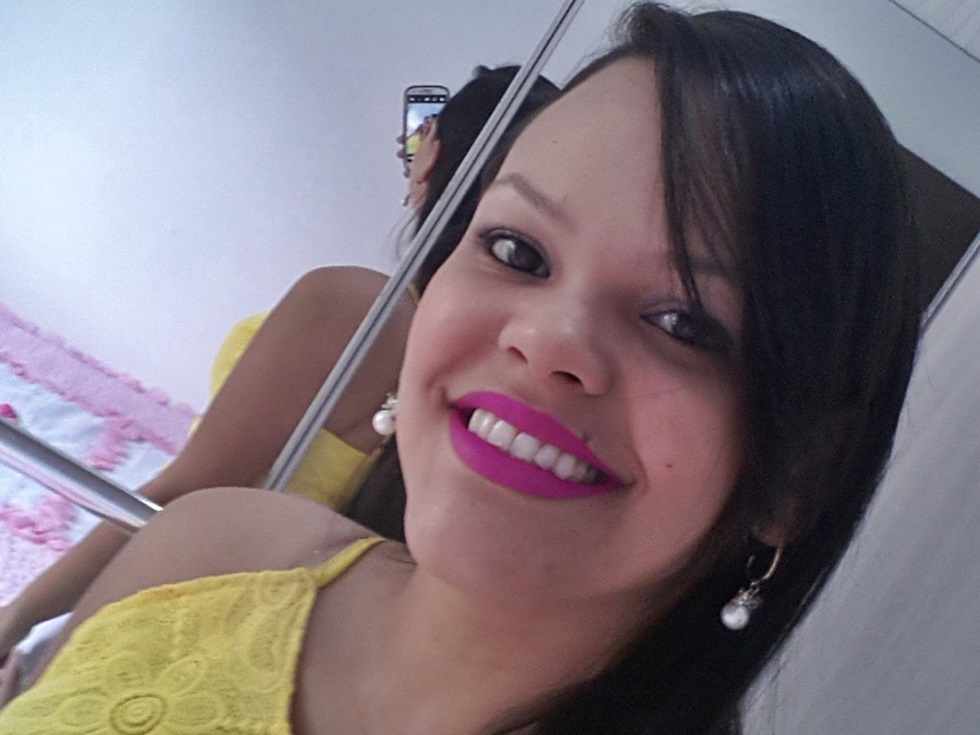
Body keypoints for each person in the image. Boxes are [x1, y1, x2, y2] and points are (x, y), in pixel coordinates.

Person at [0, 3, 921, 733]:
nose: (548, 339)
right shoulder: (214, 551)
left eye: (683, 321)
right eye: (518, 250)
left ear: (799, 472)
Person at [0, 65, 559, 665]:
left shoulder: (357, 309)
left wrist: (17, 623)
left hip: (177, 606)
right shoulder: (488, 365)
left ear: (430, 158)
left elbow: (182, 497)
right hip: (287, 651)